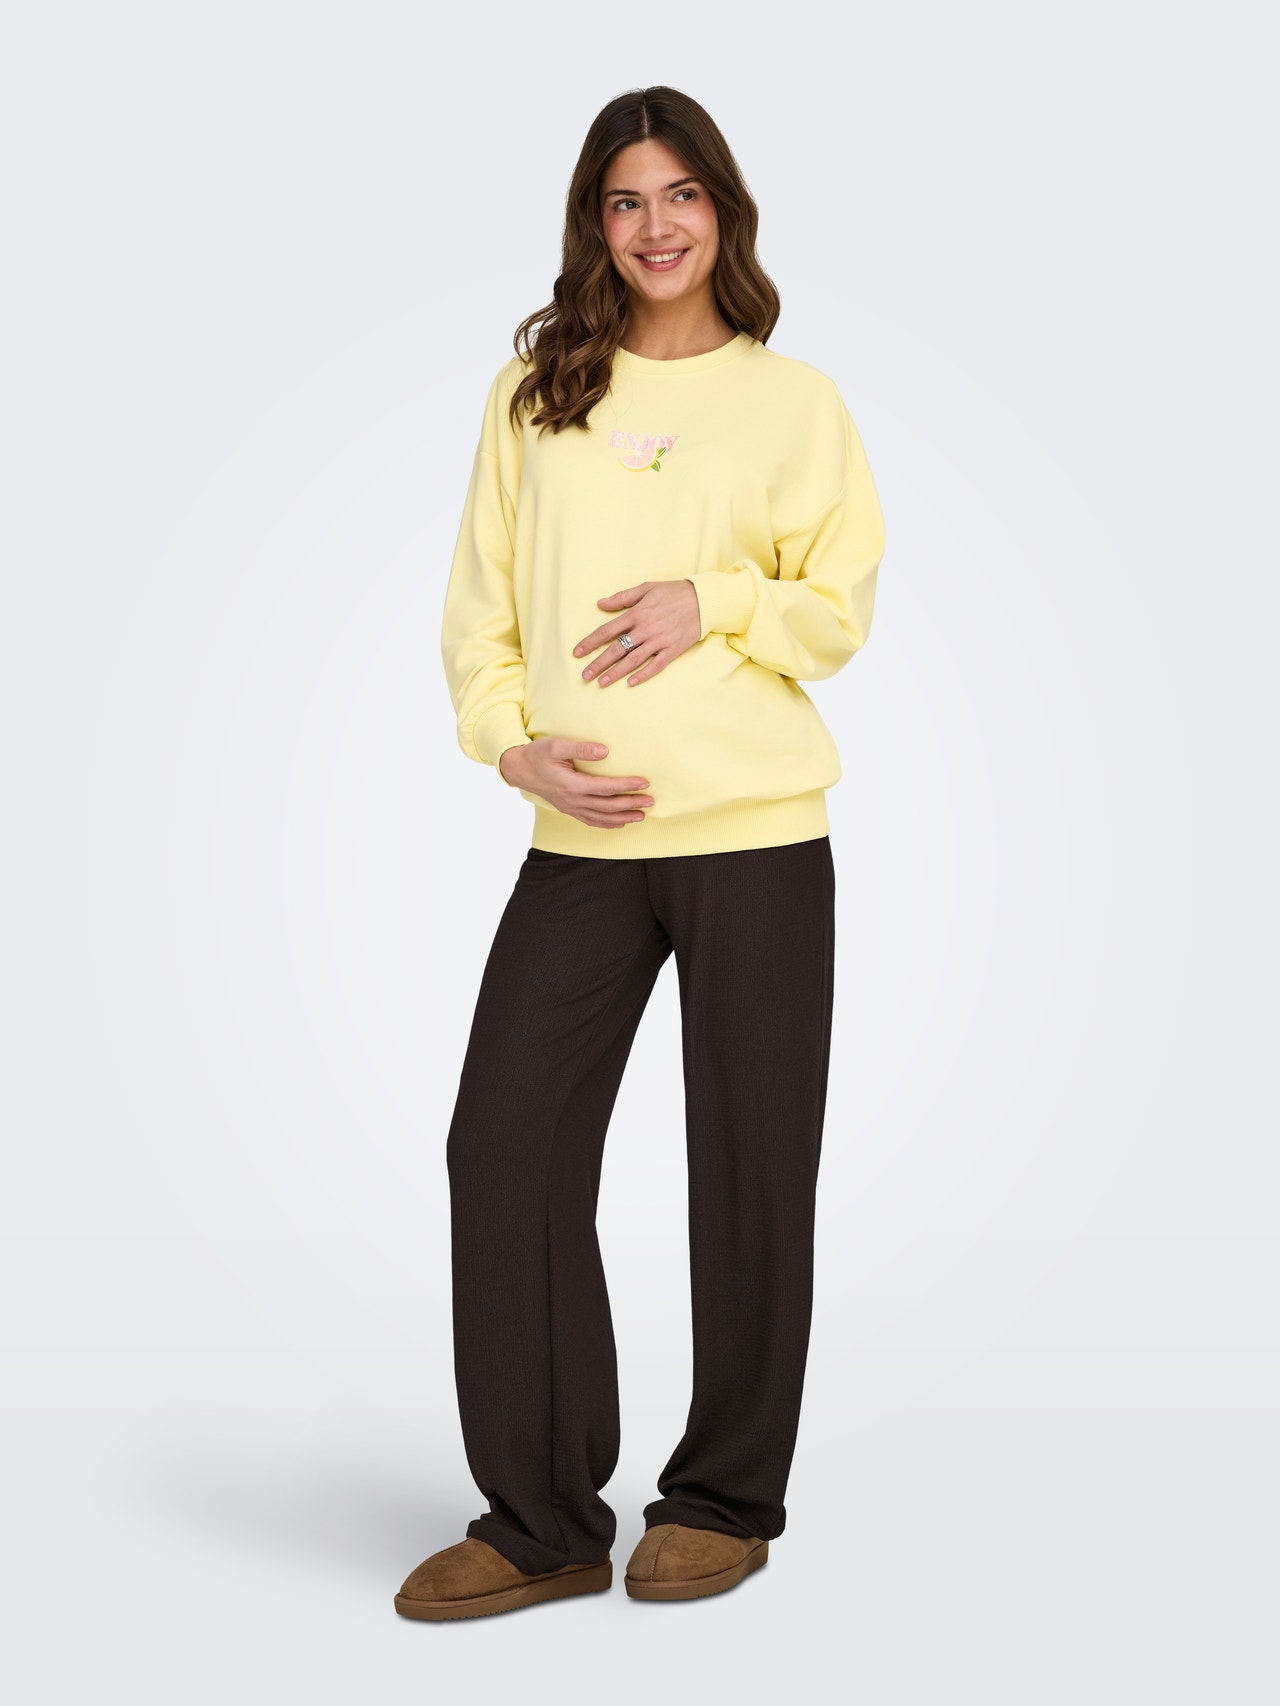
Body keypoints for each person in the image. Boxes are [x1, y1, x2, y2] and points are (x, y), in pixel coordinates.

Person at [395, 84, 886, 1621]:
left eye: (681, 194)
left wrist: (712, 598)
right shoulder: (536, 392)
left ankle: (725, 1498)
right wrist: (508, 740)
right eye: (625, 199)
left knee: (750, 1166)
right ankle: (542, 1516)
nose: (655, 225)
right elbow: (481, 606)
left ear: (722, 211)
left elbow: (837, 612)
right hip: (582, 843)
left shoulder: (794, 402)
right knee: (505, 1145)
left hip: (756, 836)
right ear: (593, 223)